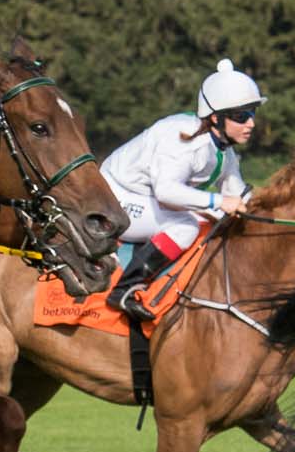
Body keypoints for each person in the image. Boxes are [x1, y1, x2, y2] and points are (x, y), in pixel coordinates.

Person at [98, 59, 258, 320]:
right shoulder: (186, 141)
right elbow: (167, 192)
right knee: (186, 227)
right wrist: (218, 201)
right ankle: (124, 290)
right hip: (113, 198)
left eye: (252, 114)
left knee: (217, 221)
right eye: (241, 116)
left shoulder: (224, 151)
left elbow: (238, 195)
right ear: (215, 117)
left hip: (146, 197)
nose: (250, 123)